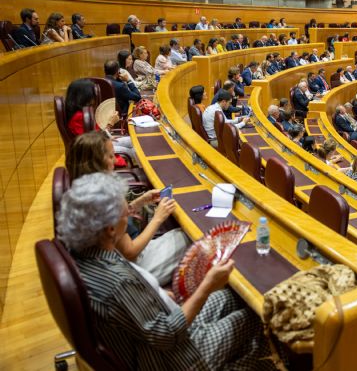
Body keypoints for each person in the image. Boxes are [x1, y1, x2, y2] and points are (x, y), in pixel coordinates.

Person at [56, 172, 274, 370]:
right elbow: (167, 335)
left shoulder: (85, 253)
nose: (129, 215)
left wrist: (157, 297)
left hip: (159, 327)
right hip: (174, 358)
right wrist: (207, 285)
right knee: (255, 315)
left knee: (230, 298)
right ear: (111, 229)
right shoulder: (117, 282)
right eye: (125, 213)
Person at [65, 132, 190, 284]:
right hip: (132, 268)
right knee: (189, 238)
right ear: (96, 162)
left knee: (179, 233)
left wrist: (139, 202)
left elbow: (116, 219)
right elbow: (130, 252)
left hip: (120, 260)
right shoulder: (104, 197)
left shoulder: (82, 192)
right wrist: (158, 218)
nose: (115, 161)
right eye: (111, 156)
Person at [64, 78, 136, 161]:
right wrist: (110, 124)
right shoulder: (79, 117)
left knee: (134, 141)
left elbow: (95, 133)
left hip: (101, 143)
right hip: (97, 151)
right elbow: (91, 143)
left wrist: (107, 136)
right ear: (85, 96)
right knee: (133, 150)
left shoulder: (81, 112)